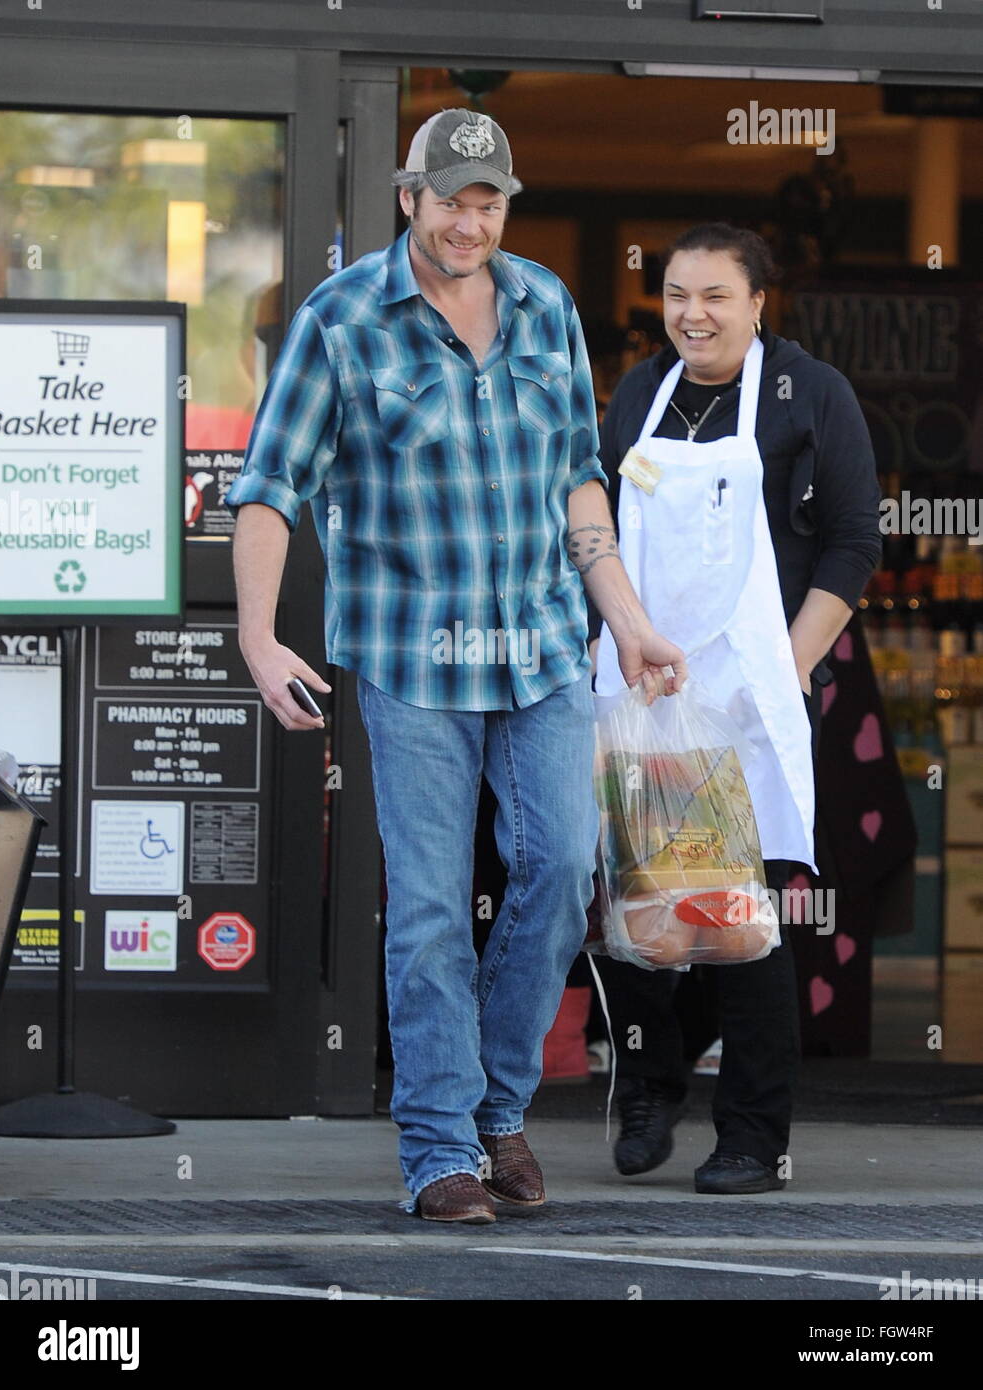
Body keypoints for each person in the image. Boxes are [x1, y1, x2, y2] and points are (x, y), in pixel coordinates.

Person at [227, 108, 686, 1224]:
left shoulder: (543, 308)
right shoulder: (341, 321)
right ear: (408, 197)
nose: (471, 221)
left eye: (490, 201)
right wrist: (255, 632)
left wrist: (621, 615)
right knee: (430, 904)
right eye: (452, 199)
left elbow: (578, 476)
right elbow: (270, 484)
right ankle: (439, 1149)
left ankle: (495, 1110)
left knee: (565, 867)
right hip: (408, 655)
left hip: (536, 645)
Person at [590, 222, 882, 1194]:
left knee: (740, 923)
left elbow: (850, 544)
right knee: (643, 915)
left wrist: (785, 667)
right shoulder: (641, 391)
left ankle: (753, 1136)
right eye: (676, 294)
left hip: (750, 697)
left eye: (714, 295)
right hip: (645, 689)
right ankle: (649, 1080)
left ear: (759, 303)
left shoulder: (807, 395)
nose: (692, 314)